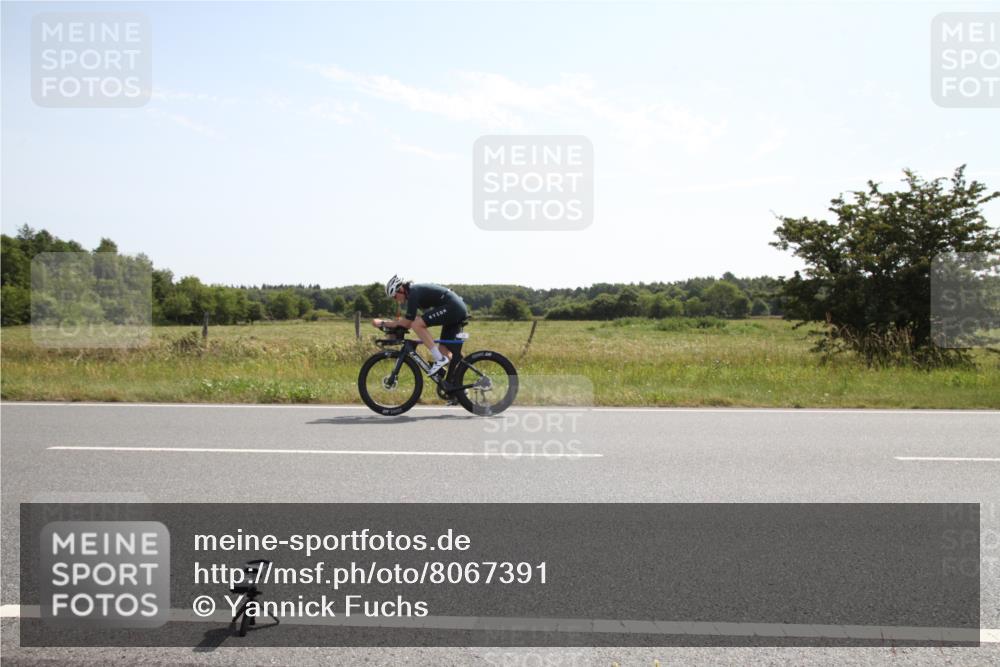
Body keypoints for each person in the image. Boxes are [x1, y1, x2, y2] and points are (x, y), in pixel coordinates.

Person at [372, 275, 469, 375]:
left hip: (454, 308)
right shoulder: (412, 293)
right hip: (454, 309)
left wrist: (383, 323)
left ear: (400, 289)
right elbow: (409, 322)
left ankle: (439, 360)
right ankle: (457, 383)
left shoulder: (413, 293)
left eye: (395, 296)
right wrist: (392, 324)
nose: (395, 300)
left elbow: (408, 323)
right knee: (444, 352)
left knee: (417, 325)